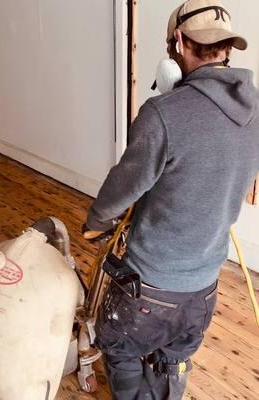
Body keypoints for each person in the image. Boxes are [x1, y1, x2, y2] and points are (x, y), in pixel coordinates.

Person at [83, 1, 259, 399]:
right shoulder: (256, 109)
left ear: (178, 42)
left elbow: (123, 187)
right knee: (176, 352)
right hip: (204, 288)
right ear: (227, 48)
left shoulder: (163, 112)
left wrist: (96, 221)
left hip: (151, 287)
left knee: (118, 345)